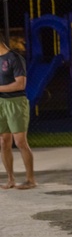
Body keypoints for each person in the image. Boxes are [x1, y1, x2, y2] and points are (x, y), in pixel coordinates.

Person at [0, 39, 35, 189]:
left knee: (20, 142)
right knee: (3, 142)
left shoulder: (14, 58)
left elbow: (20, 84)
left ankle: (30, 180)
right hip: (1, 103)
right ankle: (10, 179)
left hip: (16, 102)